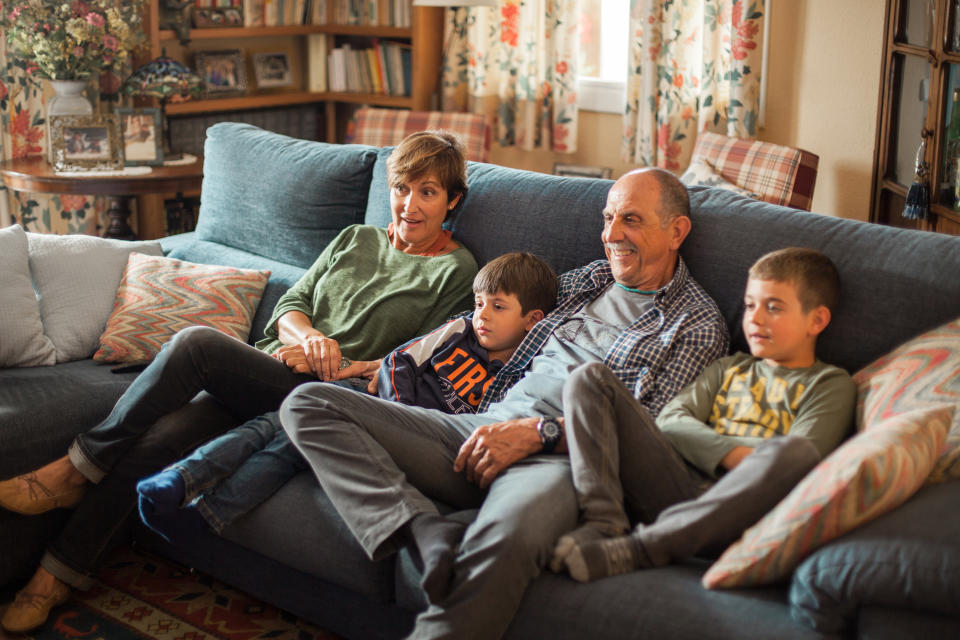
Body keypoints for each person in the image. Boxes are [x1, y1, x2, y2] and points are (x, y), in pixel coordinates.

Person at [0, 130, 478, 634]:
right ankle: (53, 578)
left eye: (427, 192)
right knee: (153, 445)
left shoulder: (456, 270)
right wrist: (311, 337)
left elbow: (423, 361)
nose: (410, 204)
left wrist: (342, 366)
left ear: (453, 200)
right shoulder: (355, 238)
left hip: (331, 397)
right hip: (273, 369)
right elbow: (292, 305)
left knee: (197, 344)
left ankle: (75, 469)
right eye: (402, 187)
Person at [278, 168, 730, 639]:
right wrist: (384, 362)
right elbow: (478, 320)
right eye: (609, 217)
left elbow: (647, 435)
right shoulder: (589, 280)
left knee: (500, 547)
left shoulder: (695, 324)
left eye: (631, 220)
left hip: (559, 460)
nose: (611, 235)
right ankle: (419, 530)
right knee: (309, 405)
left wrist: (536, 435)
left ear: (676, 231)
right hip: (481, 422)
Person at [134, 252, 557, 541]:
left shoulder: (519, 374)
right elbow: (401, 360)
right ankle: (184, 478)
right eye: (479, 302)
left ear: (532, 321)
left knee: (290, 444)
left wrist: (398, 421)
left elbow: (477, 426)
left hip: (406, 432)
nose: (481, 314)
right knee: (276, 422)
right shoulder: (460, 330)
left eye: (497, 307)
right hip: (374, 398)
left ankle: (208, 516)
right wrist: (392, 404)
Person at [552, 247, 857, 582]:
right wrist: (738, 456)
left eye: (774, 307)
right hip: (676, 485)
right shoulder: (729, 368)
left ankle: (642, 549)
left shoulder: (830, 384)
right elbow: (670, 422)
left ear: (817, 320)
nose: (754, 319)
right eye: (751, 305)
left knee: (792, 453)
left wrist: (739, 460)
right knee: (588, 378)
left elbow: (802, 463)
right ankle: (603, 522)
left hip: (742, 513)